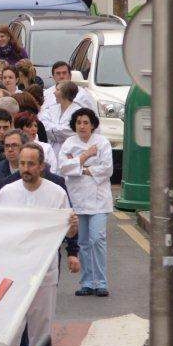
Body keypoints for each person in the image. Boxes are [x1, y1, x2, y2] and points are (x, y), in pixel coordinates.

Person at [0, 145, 80, 346]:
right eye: (22, 164)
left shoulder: (56, 193)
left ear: (41, 166)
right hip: (14, 271)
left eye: (31, 164)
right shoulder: (7, 192)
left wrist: (73, 229)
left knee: (40, 328)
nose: (25, 169)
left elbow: (69, 232)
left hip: (45, 271)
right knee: (11, 327)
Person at [59, 108, 114, 298]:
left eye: (86, 122)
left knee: (97, 239)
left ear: (92, 125)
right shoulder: (68, 143)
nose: (82, 126)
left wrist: (81, 168)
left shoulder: (102, 143)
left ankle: (101, 282)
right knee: (82, 242)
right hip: (77, 200)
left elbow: (107, 169)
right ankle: (87, 282)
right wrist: (84, 160)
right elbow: (64, 167)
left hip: (99, 200)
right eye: (79, 122)